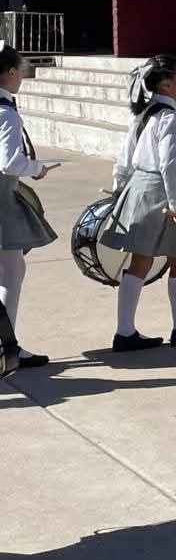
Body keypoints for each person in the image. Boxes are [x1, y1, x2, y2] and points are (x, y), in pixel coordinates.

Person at [101, 56, 176, 351]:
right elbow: (170, 168)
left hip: (138, 188)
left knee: (141, 259)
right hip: (159, 192)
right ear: (165, 84)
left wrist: (119, 189)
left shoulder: (143, 114)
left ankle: (125, 331)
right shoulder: (169, 118)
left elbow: (124, 159)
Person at [0, 44, 58, 369]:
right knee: (11, 272)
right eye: (20, 71)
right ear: (10, 73)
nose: (21, 76)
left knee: (11, 270)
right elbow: (9, 163)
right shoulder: (6, 114)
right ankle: (7, 348)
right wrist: (36, 168)